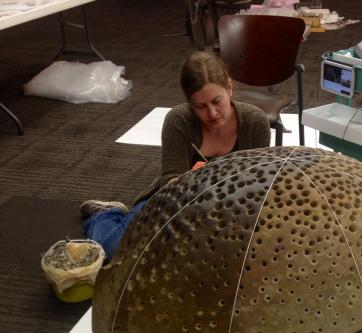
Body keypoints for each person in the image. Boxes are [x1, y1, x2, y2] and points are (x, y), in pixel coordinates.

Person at [81, 51, 271, 260]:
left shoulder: (255, 122)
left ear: (229, 88)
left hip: (232, 207)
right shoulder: (178, 120)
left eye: (217, 101)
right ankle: (106, 215)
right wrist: (193, 181)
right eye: (200, 107)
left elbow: (257, 185)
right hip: (175, 201)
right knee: (112, 250)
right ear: (190, 103)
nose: (212, 114)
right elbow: (170, 182)